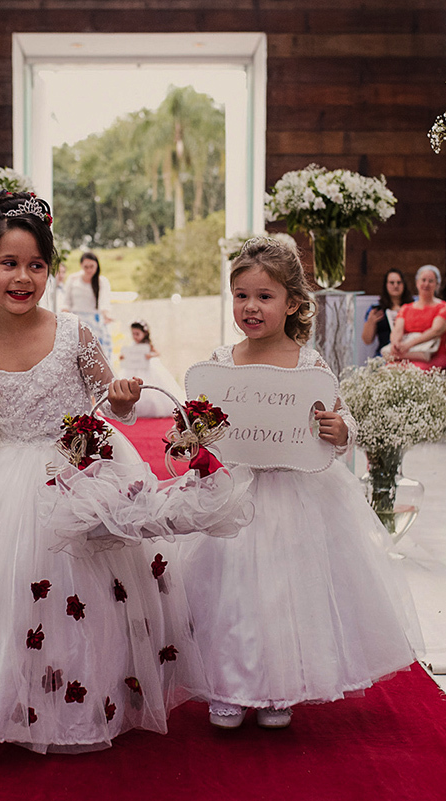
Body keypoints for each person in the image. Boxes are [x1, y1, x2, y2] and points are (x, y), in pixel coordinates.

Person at [0, 191, 206, 753]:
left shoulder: (74, 333)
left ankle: (94, 690)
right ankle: (16, 696)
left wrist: (120, 398)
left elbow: (110, 402)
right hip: (11, 481)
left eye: (35, 265)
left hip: (82, 467)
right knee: (15, 594)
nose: (22, 277)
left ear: (51, 269)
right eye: (8, 264)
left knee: (94, 587)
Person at [180, 236, 421, 731]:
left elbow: (340, 422)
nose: (251, 307)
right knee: (232, 588)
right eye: (241, 295)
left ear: (292, 303)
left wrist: (340, 431)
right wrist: (192, 436)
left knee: (283, 588)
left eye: (264, 297)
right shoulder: (222, 361)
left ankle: (278, 686)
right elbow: (205, 421)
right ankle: (228, 685)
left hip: (294, 496)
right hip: (235, 491)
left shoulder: (309, 365)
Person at [386, 264, 446, 369]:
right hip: (406, 353)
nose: (426, 284)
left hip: (432, 355)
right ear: (417, 283)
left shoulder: (443, 307)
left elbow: (435, 331)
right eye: (423, 280)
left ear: (437, 285)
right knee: (387, 370)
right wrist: (396, 343)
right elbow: (397, 330)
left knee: (417, 371)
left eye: (430, 281)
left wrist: (408, 345)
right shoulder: (406, 308)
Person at [119, 320, 179, 417]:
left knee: (149, 389)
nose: (135, 336)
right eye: (133, 334)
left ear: (144, 333)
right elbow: (128, 354)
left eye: (137, 334)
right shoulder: (132, 345)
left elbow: (157, 353)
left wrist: (150, 355)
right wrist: (123, 357)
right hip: (133, 369)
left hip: (147, 368)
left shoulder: (147, 345)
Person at [61, 250, 112, 357]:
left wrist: (106, 316)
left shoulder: (102, 281)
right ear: (81, 265)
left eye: (92, 266)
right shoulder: (73, 279)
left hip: (95, 322)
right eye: (86, 267)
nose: (89, 270)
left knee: (96, 355)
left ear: (97, 265)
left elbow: (104, 303)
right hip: (76, 321)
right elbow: (66, 303)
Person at [360, 268, 412, 353]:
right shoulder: (376, 310)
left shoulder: (412, 307)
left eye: (399, 282)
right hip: (384, 355)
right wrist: (371, 322)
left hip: (409, 352)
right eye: (392, 283)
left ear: (404, 285)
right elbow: (367, 340)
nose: (395, 286)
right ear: (386, 285)